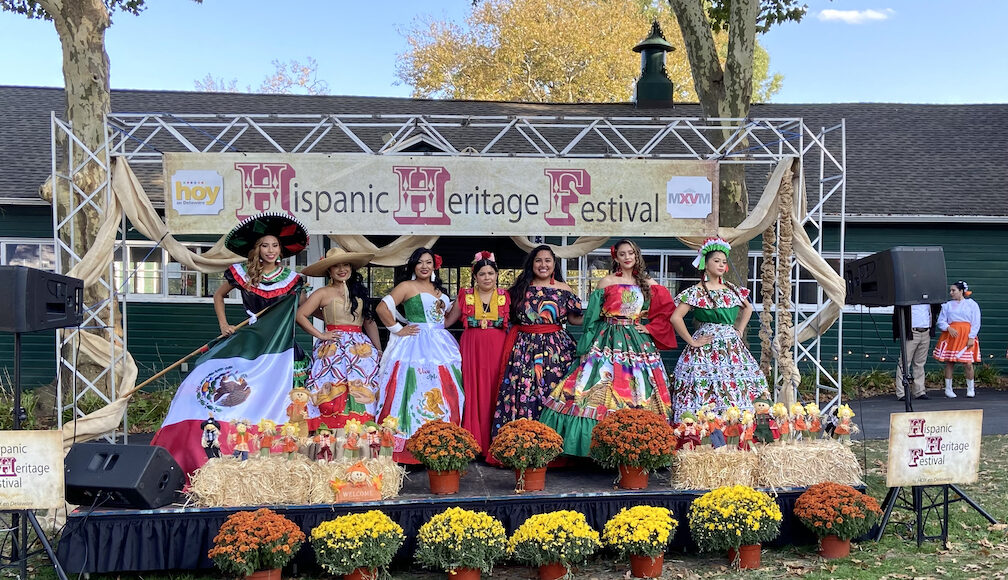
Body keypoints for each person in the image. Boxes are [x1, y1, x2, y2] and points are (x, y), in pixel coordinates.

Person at [539, 239, 678, 457]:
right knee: (594, 386)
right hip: (607, 339)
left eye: (630, 253)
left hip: (637, 342)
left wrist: (650, 328)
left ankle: (642, 446)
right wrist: (586, 346)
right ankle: (598, 444)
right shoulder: (606, 282)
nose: (627, 257)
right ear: (616, 258)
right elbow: (592, 318)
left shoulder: (649, 283)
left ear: (636, 255)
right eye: (622, 254)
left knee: (639, 389)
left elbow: (667, 311)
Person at [375, 247, 464, 463]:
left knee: (447, 388)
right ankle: (408, 447)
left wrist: (448, 319)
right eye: (420, 262)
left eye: (428, 262)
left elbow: (449, 315)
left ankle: (442, 442)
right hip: (415, 343)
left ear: (434, 266)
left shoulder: (438, 290)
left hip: (440, 343)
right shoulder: (407, 286)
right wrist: (398, 329)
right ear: (414, 265)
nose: (424, 266)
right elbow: (381, 308)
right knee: (411, 388)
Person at [491, 245, 583, 439]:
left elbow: (575, 319)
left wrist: (602, 315)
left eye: (547, 260)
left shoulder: (564, 289)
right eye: (538, 260)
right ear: (531, 264)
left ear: (554, 264)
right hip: (524, 349)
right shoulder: (519, 289)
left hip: (557, 350)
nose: (543, 265)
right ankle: (522, 440)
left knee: (554, 392)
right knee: (525, 392)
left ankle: (554, 442)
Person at [670, 237, 768, 418]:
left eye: (724, 262)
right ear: (705, 264)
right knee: (705, 383)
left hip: (731, 345)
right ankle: (703, 426)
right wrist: (692, 341)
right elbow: (676, 317)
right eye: (716, 261)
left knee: (734, 381)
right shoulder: (696, 291)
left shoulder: (731, 289)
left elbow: (748, 308)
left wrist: (739, 330)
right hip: (706, 344)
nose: (721, 265)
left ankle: (735, 424)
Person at [297, 247, 383, 431]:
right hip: (332, 347)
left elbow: (369, 322)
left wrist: (379, 349)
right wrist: (321, 334)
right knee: (331, 385)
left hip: (361, 350)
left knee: (362, 385)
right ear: (329, 270)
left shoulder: (359, 291)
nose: (342, 269)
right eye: (336, 266)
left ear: (351, 268)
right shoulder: (322, 293)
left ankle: (360, 429)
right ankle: (329, 431)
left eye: (345, 265)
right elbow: (301, 315)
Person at [445, 251, 510, 455]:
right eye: (482, 274)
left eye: (491, 273)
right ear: (475, 276)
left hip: (497, 345)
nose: (487, 277)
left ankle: (494, 442)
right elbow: (448, 321)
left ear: (497, 275)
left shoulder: (504, 296)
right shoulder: (465, 295)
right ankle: (474, 442)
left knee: (494, 389)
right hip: (472, 344)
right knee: (472, 389)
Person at [933, 280, 981, 398]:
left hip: (966, 335)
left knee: (968, 363)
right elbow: (941, 321)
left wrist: (971, 337)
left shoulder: (972, 304)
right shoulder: (947, 305)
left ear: (961, 291)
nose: (951, 293)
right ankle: (948, 389)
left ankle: (970, 388)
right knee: (950, 362)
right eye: (950, 290)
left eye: (953, 290)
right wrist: (948, 328)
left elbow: (976, 322)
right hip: (952, 336)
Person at [893, 303, 940, 401]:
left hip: (926, 331)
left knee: (920, 363)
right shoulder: (909, 300)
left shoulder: (928, 300)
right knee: (904, 362)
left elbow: (935, 309)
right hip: (912, 332)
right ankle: (901, 392)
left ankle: (919, 391)